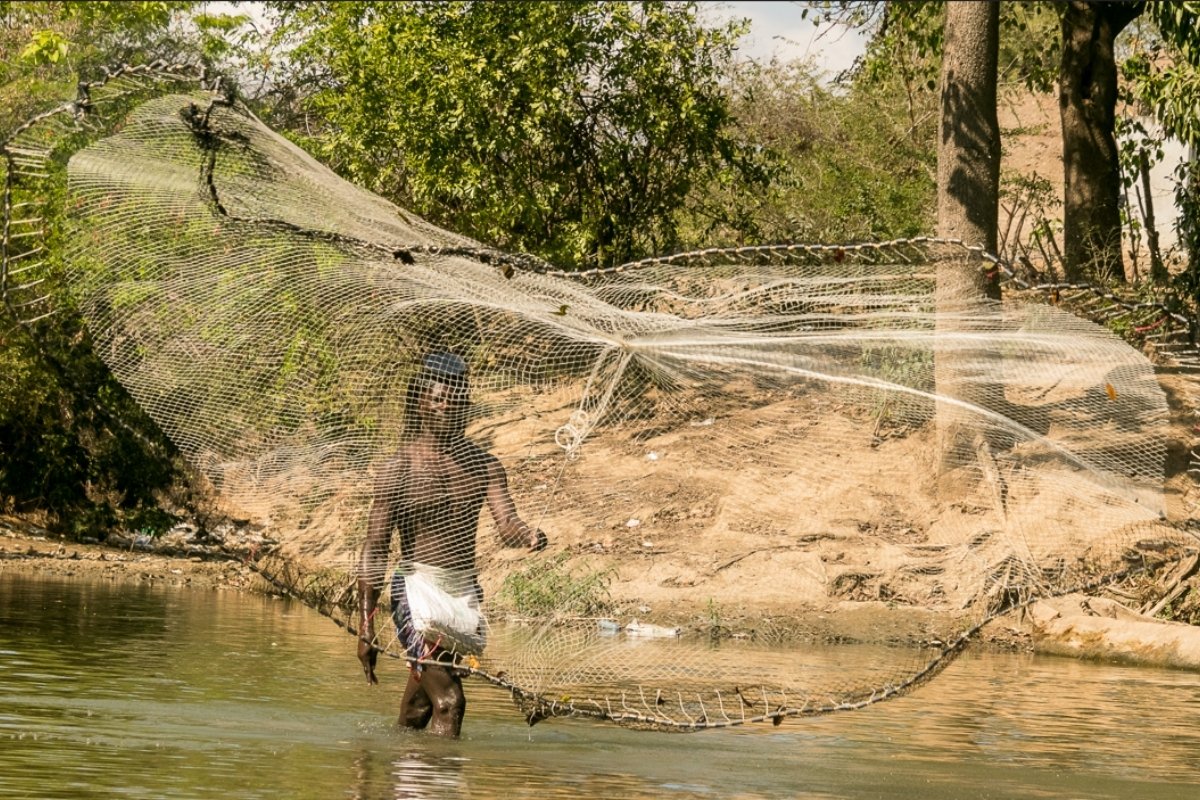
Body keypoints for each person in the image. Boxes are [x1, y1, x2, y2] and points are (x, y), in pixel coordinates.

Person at [355, 351, 547, 737]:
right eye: (439, 398)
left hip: (461, 593)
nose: (447, 406)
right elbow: (375, 547)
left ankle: (388, 770)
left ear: (467, 408)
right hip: (416, 590)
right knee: (449, 702)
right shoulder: (400, 468)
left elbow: (506, 523)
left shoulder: (484, 466)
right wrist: (365, 625)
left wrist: (527, 534)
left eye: (456, 400)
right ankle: (440, 784)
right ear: (420, 402)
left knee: (421, 705)